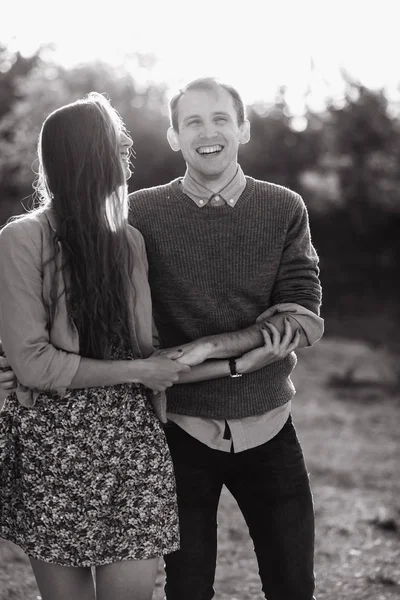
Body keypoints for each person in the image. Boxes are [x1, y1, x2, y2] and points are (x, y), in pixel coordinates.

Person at [1, 77, 323, 600]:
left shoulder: (276, 209)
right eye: (192, 121)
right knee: (185, 586)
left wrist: (220, 355)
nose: (208, 131)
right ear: (173, 137)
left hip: (212, 428)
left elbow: (300, 315)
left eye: (220, 118)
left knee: (291, 582)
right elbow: (74, 339)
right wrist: (21, 361)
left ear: (242, 127)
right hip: (130, 433)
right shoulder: (124, 221)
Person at [0, 92, 193, 600]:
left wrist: (246, 343)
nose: (128, 143)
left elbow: (145, 346)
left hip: (132, 443)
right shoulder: (24, 239)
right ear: (87, 153)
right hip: (54, 445)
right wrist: (138, 372)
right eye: (115, 136)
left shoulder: (129, 241)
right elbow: (33, 362)